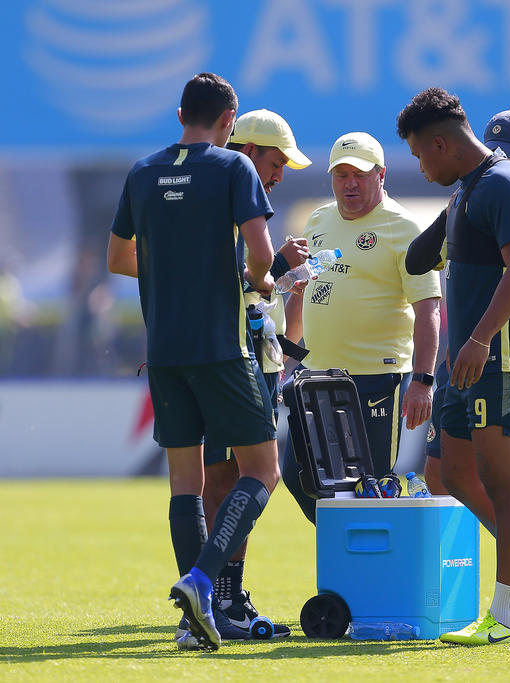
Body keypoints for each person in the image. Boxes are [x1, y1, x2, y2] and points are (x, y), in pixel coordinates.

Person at [106, 73, 280, 652]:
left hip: (164, 352)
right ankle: (202, 580)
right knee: (262, 469)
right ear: (229, 120)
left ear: (181, 112)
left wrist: (171, 274)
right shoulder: (234, 169)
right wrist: (258, 282)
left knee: (186, 481)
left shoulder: (142, 170)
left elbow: (117, 257)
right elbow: (260, 255)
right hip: (222, 348)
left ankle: (193, 622)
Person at [397, 88, 510, 645]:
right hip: (466, 360)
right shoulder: (469, 189)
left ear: (443, 143)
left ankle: (504, 617)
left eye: (421, 155)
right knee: (452, 474)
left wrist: (476, 340)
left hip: (501, 359)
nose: (421, 167)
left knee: (505, 485)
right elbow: (420, 260)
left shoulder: (502, 183)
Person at [177, 108, 312, 644]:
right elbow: (234, 286)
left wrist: (277, 287)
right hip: (232, 360)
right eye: (275, 163)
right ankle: (214, 593)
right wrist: (275, 269)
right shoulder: (233, 198)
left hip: (212, 354)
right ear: (248, 151)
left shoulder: (213, 196)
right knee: (245, 476)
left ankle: (214, 603)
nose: (278, 175)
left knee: (217, 479)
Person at [282, 131, 441, 523]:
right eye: (342, 174)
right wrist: (285, 354)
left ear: (381, 175)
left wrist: (423, 380)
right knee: (296, 475)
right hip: (315, 374)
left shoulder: (404, 227)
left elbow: (428, 310)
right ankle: (346, 554)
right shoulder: (318, 220)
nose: (350, 183)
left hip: (374, 377)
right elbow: (305, 289)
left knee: (369, 488)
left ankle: (373, 574)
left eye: (361, 174)